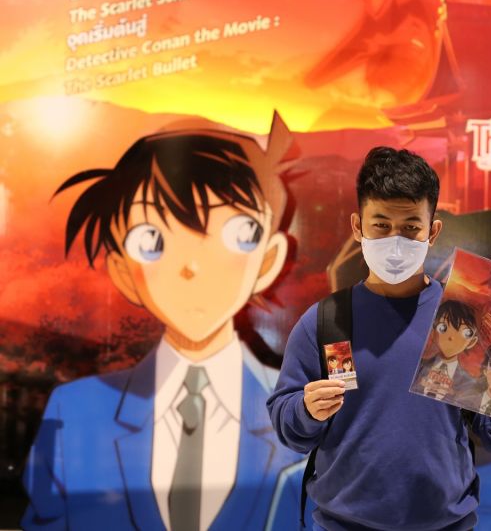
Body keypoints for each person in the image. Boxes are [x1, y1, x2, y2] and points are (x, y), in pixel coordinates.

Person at [22, 116, 308, 531]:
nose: (191, 266)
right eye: (151, 242)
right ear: (123, 271)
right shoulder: (75, 413)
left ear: (267, 260)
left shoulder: (306, 410)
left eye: (237, 234)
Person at [267, 146, 491, 531]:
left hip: (446, 525)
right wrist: (305, 410)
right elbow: (288, 425)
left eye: (411, 227)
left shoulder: (466, 321)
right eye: (381, 225)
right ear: (358, 226)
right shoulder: (329, 321)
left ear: (433, 231)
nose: (396, 240)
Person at [410, 300, 480, 401]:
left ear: (471, 342)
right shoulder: (418, 365)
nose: (451, 337)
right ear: (433, 332)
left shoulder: (469, 383)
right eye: (443, 327)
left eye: (466, 333)